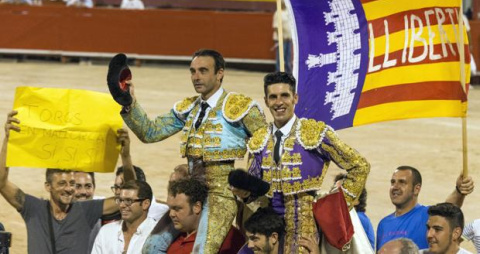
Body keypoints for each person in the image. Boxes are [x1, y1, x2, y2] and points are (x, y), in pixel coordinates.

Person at [118, 49, 267, 252]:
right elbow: (150, 133)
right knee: (151, 248)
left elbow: (266, 145)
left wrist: (254, 187)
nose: (196, 77)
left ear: (220, 73)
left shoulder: (240, 107)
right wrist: (129, 103)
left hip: (220, 194)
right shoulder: (188, 108)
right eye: (193, 71)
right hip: (189, 193)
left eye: (203, 71)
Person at [232, 72, 370, 253]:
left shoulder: (314, 133)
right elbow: (255, 194)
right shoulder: (259, 140)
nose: (279, 102)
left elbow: (360, 166)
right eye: (273, 97)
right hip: (268, 225)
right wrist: (244, 193)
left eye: (284, 96)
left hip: (305, 228)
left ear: (295, 98)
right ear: (266, 101)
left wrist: (335, 205)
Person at [0, 110, 119, 254]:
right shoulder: (34, 209)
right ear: (48, 186)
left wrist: (125, 154)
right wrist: (8, 139)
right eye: (62, 183)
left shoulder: (86, 210)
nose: (69, 188)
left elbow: (127, 198)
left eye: (72, 183)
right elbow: (1, 183)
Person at [376, 166, 474, 250]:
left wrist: (459, 191)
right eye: (393, 182)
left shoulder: (426, 215)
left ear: (416, 189)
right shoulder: (383, 224)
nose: (395, 187)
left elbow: (448, 209)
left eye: (402, 182)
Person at [162, 178, 244, 254]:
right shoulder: (170, 235)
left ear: (196, 207)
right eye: (170, 208)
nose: (171, 214)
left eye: (177, 209)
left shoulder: (226, 238)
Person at [92, 180, 157, 254]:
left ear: (145, 204)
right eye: (120, 200)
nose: (122, 205)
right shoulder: (105, 232)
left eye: (128, 201)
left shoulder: (157, 234)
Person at [272, 0, 292, 73]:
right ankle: (279, 72)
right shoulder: (278, 13)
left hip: (288, 38)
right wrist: (281, 37)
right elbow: (276, 27)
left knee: (288, 57)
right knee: (280, 57)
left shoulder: (288, 12)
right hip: (282, 39)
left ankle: (288, 72)